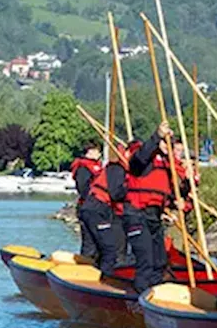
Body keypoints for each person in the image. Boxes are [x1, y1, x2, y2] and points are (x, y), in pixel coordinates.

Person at [123, 121, 189, 293]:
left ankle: (155, 294)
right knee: (146, 261)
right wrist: (157, 135)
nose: (168, 147)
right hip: (137, 213)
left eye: (170, 144)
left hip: (154, 216)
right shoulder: (144, 159)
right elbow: (139, 159)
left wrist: (187, 182)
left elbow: (177, 191)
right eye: (164, 142)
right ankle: (140, 298)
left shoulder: (168, 165)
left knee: (160, 261)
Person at [76, 143, 128, 274]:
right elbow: (114, 193)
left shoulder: (107, 168)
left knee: (95, 246)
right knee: (108, 248)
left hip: (95, 207)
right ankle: (101, 278)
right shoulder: (114, 169)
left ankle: (90, 272)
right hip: (95, 208)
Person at [69, 142, 104, 260]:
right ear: (90, 151)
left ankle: (96, 265)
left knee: (99, 242)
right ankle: (85, 266)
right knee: (90, 242)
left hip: (97, 207)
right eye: (97, 151)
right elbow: (83, 188)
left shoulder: (96, 166)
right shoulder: (83, 167)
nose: (99, 154)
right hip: (89, 206)